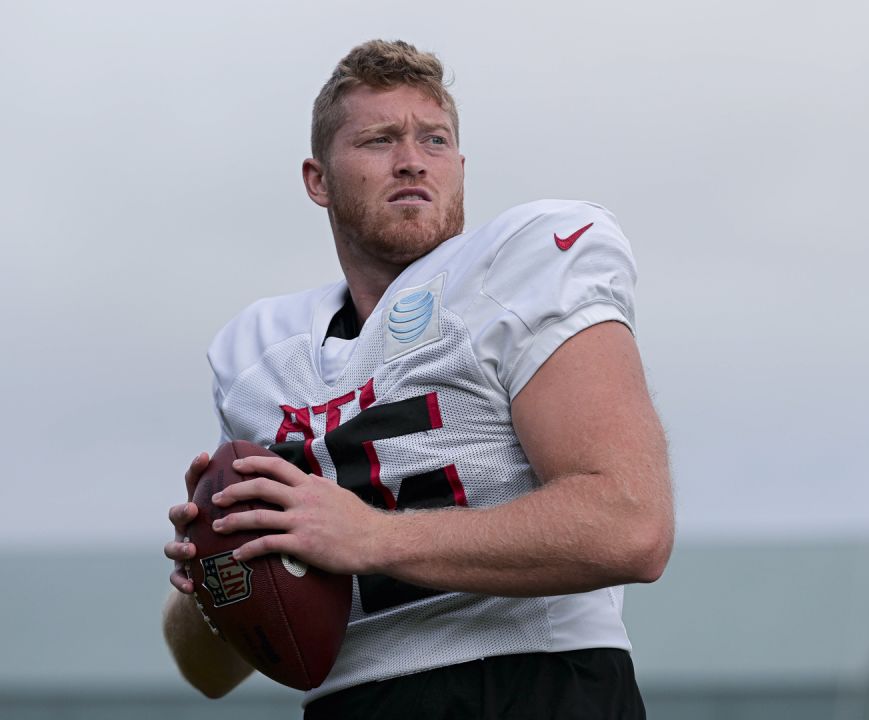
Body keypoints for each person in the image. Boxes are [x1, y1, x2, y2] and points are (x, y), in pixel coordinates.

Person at [161, 39, 672, 719]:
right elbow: (207, 674)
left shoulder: (520, 267)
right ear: (318, 180)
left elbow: (631, 527)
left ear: (460, 167)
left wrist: (371, 536)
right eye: (378, 139)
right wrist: (216, 573)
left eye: (434, 139)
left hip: (534, 685)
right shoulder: (258, 355)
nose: (411, 159)